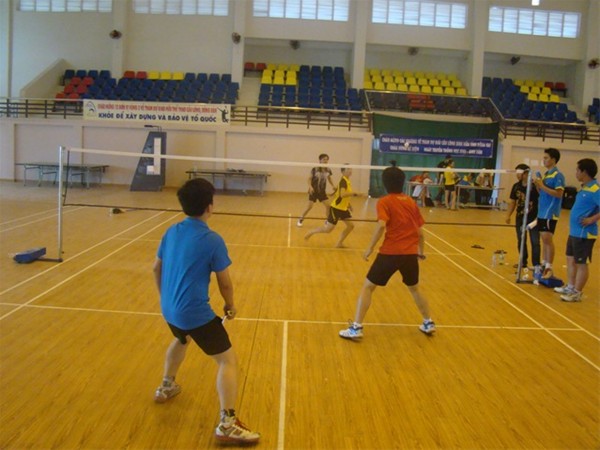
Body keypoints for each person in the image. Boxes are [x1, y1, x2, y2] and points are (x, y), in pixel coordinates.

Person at [152, 178, 260, 445]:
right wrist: (230, 305)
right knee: (227, 361)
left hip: (169, 309)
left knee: (182, 338)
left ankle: (166, 386)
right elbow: (225, 282)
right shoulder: (212, 240)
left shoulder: (171, 231)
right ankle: (228, 424)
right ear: (209, 207)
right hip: (194, 313)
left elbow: (156, 268)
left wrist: (165, 298)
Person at [339, 163, 435, 339]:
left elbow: (382, 225)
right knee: (414, 288)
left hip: (390, 253)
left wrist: (369, 248)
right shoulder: (411, 202)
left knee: (368, 287)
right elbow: (420, 232)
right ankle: (428, 322)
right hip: (410, 254)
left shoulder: (384, 201)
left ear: (385, 183)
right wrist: (420, 251)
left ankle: (356, 328)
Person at [553, 158, 599, 302]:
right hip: (574, 232)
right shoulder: (584, 188)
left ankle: (577, 292)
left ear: (584, 172)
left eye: (577, 170)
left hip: (584, 234)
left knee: (581, 263)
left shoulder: (595, 189)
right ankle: (571, 286)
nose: (576, 173)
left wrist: (592, 219)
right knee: (570, 259)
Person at [304, 165, 358, 248]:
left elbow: (340, 195)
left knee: (351, 226)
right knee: (328, 230)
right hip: (336, 208)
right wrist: (354, 193)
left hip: (343, 208)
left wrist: (349, 205)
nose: (350, 170)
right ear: (343, 172)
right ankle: (311, 232)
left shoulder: (347, 181)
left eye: (350, 169)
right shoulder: (343, 181)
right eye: (348, 169)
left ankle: (339, 243)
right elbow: (342, 194)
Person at [533, 147, 565, 279]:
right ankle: (543, 263)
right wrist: (538, 185)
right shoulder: (546, 174)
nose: (544, 160)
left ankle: (549, 267)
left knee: (547, 239)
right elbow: (542, 192)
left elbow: (559, 193)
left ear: (553, 159)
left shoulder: (558, 175)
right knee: (543, 239)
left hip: (550, 212)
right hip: (542, 211)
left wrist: (542, 185)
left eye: (546, 158)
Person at [505, 164, 540, 271]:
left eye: (519, 173)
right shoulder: (516, 186)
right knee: (521, 239)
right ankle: (523, 261)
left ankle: (536, 265)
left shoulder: (535, 186)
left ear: (526, 173)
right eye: (517, 173)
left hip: (534, 218)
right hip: (520, 217)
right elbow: (512, 202)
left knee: (535, 241)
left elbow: (542, 200)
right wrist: (508, 215)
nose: (517, 175)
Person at [297, 153, 336, 227]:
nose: (326, 161)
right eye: (324, 159)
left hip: (322, 192)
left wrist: (333, 185)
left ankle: (328, 220)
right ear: (320, 160)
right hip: (313, 191)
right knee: (309, 207)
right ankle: (301, 219)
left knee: (328, 206)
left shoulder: (328, 169)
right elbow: (309, 179)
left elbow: (329, 178)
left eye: (327, 160)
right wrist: (310, 187)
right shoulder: (315, 169)